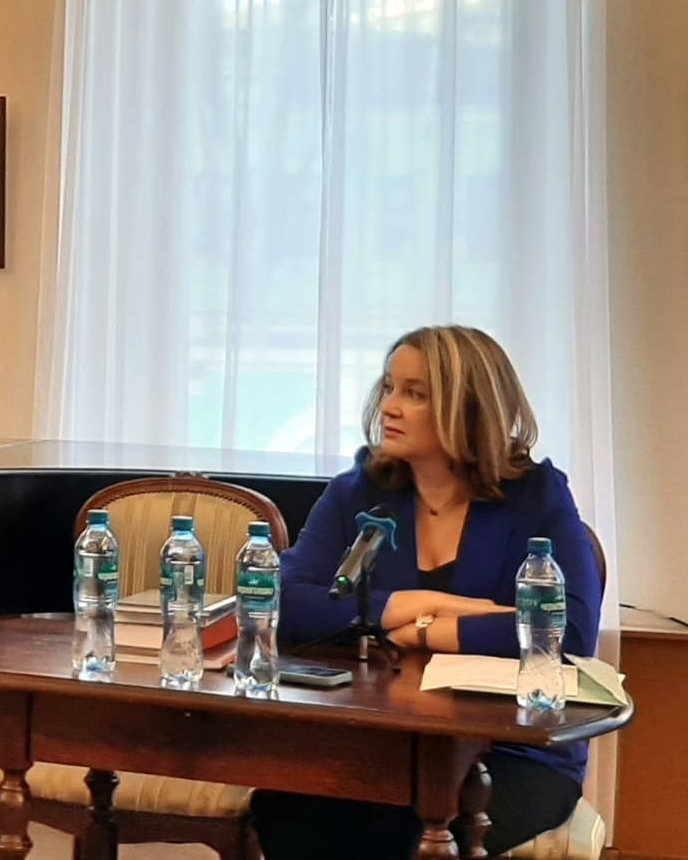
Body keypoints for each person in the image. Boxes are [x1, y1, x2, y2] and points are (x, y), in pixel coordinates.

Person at [251, 325, 601, 860]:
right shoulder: (357, 491)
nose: (389, 407)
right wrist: (412, 604)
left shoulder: (536, 496)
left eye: (414, 394)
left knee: (405, 833)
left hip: (510, 749)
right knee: (287, 806)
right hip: (382, 736)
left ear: (470, 408)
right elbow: (281, 599)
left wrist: (422, 630)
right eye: (389, 388)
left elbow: (567, 629)